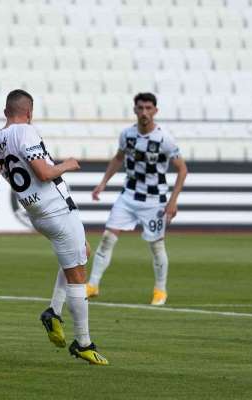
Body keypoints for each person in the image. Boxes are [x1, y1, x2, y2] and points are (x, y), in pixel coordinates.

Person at [0, 89, 108, 366]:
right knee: (78, 275)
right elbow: (44, 172)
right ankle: (83, 342)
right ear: (29, 113)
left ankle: (53, 312)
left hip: (36, 212)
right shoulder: (26, 131)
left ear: (5, 112)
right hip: (57, 209)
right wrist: (68, 164)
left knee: (80, 251)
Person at [86, 92, 188, 306]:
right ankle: (93, 285)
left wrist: (173, 200)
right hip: (128, 196)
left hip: (155, 200)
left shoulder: (164, 139)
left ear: (155, 111)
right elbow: (118, 158)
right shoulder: (127, 135)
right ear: (134, 110)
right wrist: (103, 182)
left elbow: (182, 170)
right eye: (140, 108)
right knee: (107, 238)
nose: (144, 112)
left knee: (156, 246)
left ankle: (160, 290)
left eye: (148, 108)